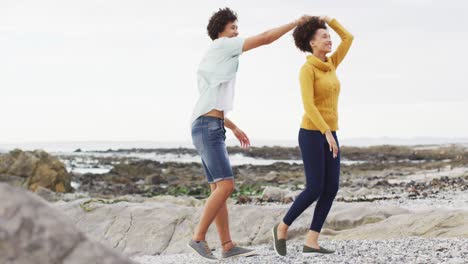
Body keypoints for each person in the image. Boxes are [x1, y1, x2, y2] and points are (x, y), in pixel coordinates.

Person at [188, 7, 311, 261]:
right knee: (226, 185)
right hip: (207, 127)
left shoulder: (213, 57)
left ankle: (228, 246)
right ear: (221, 30)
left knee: (217, 189)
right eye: (233, 27)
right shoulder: (223, 46)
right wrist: (295, 22)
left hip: (208, 125)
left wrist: (232, 126)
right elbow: (266, 38)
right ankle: (198, 237)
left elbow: (210, 101)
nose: (237, 32)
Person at [272, 15, 354, 256]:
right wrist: (326, 132)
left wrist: (330, 21)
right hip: (311, 133)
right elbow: (309, 105)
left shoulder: (331, 64)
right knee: (314, 187)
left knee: (331, 188)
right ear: (311, 43)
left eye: (329, 36)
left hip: (330, 134)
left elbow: (348, 38)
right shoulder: (307, 70)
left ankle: (312, 240)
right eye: (324, 36)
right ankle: (282, 227)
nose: (329, 40)